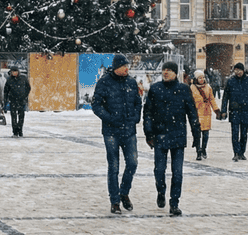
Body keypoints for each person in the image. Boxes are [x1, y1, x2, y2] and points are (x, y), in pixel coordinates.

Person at [143, 60, 199, 217]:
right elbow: (147, 112)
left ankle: (174, 202)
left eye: (168, 70)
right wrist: (149, 133)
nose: (165, 72)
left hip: (178, 136)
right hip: (160, 135)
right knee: (159, 170)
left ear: (175, 73)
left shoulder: (184, 89)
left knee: (177, 172)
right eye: (163, 69)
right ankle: (161, 191)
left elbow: (192, 113)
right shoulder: (155, 89)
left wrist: (197, 134)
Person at [91, 53, 142, 214]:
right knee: (113, 167)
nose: (127, 68)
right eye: (124, 66)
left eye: (127, 66)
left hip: (129, 130)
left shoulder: (131, 82)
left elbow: (138, 102)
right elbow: (96, 105)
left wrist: (135, 117)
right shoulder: (104, 82)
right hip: (111, 131)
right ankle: (115, 201)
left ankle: (124, 192)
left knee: (132, 163)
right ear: (116, 67)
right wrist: (109, 118)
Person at [222, 62, 248, 162]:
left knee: (244, 133)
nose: (237, 72)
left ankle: (242, 152)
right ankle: (236, 153)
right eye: (236, 70)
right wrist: (224, 110)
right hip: (234, 110)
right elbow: (225, 96)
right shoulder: (230, 81)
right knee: (235, 133)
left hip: (245, 110)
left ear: (243, 70)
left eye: (239, 70)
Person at [189, 69, 219, 161]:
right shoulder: (192, 88)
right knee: (197, 134)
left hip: (206, 113)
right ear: (196, 79)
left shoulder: (208, 87)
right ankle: (198, 151)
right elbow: (189, 101)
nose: (202, 79)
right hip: (197, 113)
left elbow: (212, 99)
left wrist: (216, 110)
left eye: (203, 77)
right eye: (199, 78)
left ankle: (204, 149)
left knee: (205, 134)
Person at [4, 66, 32, 137]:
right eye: (13, 72)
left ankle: (20, 130)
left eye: (16, 71)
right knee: (13, 117)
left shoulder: (23, 78)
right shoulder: (9, 80)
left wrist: (24, 96)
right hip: (13, 100)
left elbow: (28, 88)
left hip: (21, 100)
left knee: (21, 116)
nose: (14, 73)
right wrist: (5, 100)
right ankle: (15, 131)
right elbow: (6, 91)